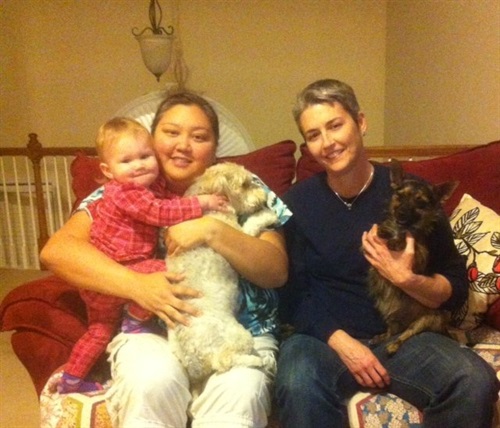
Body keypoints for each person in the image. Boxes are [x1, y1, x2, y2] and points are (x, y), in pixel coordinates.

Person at [41, 91, 290, 427]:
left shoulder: (238, 184)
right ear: (153, 138)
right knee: (152, 382)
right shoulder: (126, 185)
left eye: (199, 137)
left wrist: (211, 231)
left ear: (215, 147)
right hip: (150, 329)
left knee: (241, 393)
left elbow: (275, 270)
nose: (183, 146)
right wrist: (138, 286)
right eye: (171, 133)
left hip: (238, 332)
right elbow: (57, 251)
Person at [275, 79, 499, 428]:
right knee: (295, 381)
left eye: (335, 125)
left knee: (473, 380)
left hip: (405, 338)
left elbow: (456, 287)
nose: (328, 142)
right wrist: (344, 344)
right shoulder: (296, 204)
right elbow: (291, 295)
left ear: (360, 122)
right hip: (324, 341)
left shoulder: (415, 195)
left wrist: (407, 279)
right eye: (314, 135)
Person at [57, 116, 228, 394]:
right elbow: (159, 211)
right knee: (165, 270)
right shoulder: (126, 192)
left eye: (145, 157)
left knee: (99, 331)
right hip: (118, 269)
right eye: (127, 161)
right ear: (108, 170)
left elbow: (165, 200)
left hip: (104, 284)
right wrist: (201, 203)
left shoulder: (145, 185)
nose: (138, 166)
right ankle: (134, 321)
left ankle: (71, 379)